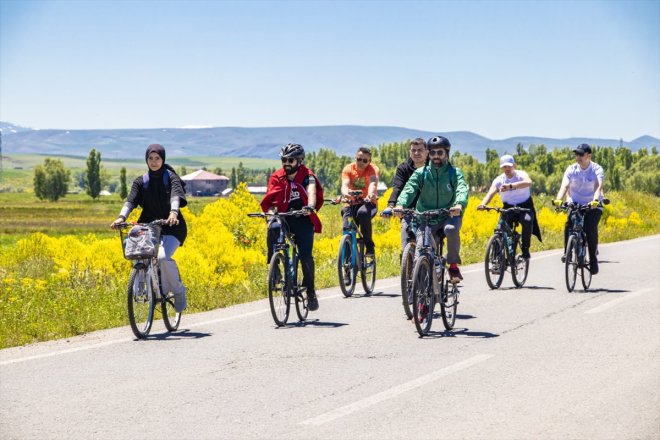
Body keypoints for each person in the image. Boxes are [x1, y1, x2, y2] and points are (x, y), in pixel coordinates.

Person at [111, 144, 188, 312]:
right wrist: (121, 217)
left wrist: (174, 213)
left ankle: (178, 290)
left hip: (171, 226)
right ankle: (142, 285)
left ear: (163, 159)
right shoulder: (141, 181)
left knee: (161, 257)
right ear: (146, 160)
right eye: (150, 159)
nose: (154, 162)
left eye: (157, 158)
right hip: (148, 226)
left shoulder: (171, 178)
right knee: (137, 253)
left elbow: (175, 195)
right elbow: (130, 201)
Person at [394, 136, 468, 282]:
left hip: (449, 215)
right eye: (432, 153)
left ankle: (453, 267)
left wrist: (459, 204)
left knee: (451, 229)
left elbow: (461, 189)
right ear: (429, 153)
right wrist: (400, 205)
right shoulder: (421, 173)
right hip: (426, 217)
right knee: (421, 252)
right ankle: (421, 297)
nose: (436, 156)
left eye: (439, 153)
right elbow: (409, 189)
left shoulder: (454, 173)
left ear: (447, 154)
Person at [260, 143, 324, 311]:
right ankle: (275, 270)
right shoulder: (277, 176)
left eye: (290, 160)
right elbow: (271, 198)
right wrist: (270, 214)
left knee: (305, 256)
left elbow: (311, 190)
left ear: (299, 160)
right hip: (284, 217)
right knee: (273, 227)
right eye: (283, 160)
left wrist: (310, 206)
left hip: (302, 218)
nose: (286, 163)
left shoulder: (307, 175)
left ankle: (310, 292)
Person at [477, 154, 542, 259]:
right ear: (501, 168)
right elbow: (490, 193)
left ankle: (525, 250)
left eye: (509, 166)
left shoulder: (520, 174)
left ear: (514, 166)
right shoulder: (499, 180)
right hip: (508, 207)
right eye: (504, 167)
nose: (507, 169)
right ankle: (497, 258)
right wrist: (483, 204)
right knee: (500, 228)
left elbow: (528, 182)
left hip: (524, 206)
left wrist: (511, 186)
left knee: (527, 220)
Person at [553, 144, 605, 274]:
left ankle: (593, 259)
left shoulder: (596, 169)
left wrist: (595, 201)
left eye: (581, 154)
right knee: (568, 225)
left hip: (593, 203)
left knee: (589, 229)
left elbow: (598, 187)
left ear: (589, 155)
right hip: (575, 202)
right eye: (576, 154)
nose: (578, 157)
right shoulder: (571, 169)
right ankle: (567, 252)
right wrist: (559, 199)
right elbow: (564, 186)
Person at [382, 138, 429, 251]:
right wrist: (392, 205)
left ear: (427, 152)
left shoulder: (433, 168)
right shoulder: (403, 168)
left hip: (428, 210)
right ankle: (406, 262)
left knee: (428, 243)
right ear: (410, 152)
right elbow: (397, 187)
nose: (416, 153)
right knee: (405, 234)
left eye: (420, 150)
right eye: (413, 150)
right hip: (408, 209)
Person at [340, 146, 380, 257]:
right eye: (359, 159)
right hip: (351, 203)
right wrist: (346, 193)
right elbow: (344, 185)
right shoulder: (348, 169)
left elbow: (373, 183)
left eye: (365, 160)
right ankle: (347, 264)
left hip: (368, 203)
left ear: (369, 161)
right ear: (355, 158)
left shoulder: (373, 169)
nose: (361, 162)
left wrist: (371, 194)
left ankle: (369, 245)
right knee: (347, 226)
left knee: (362, 213)